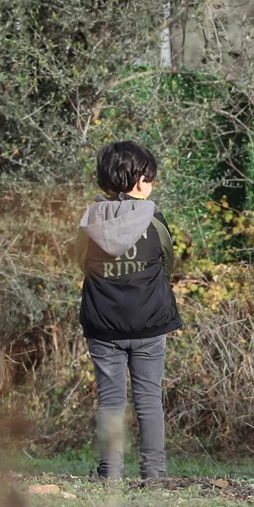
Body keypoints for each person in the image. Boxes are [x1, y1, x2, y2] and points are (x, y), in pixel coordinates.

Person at [76, 141, 183, 480]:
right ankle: (153, 473)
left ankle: (111, 472)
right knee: (150, 400)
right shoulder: (155, 221)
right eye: (150, 178)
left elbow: (81, 262)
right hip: (150, 325)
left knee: (110, 403)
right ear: (139, 182)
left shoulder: (89, 222)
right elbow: (169, 262)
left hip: (103, 326)